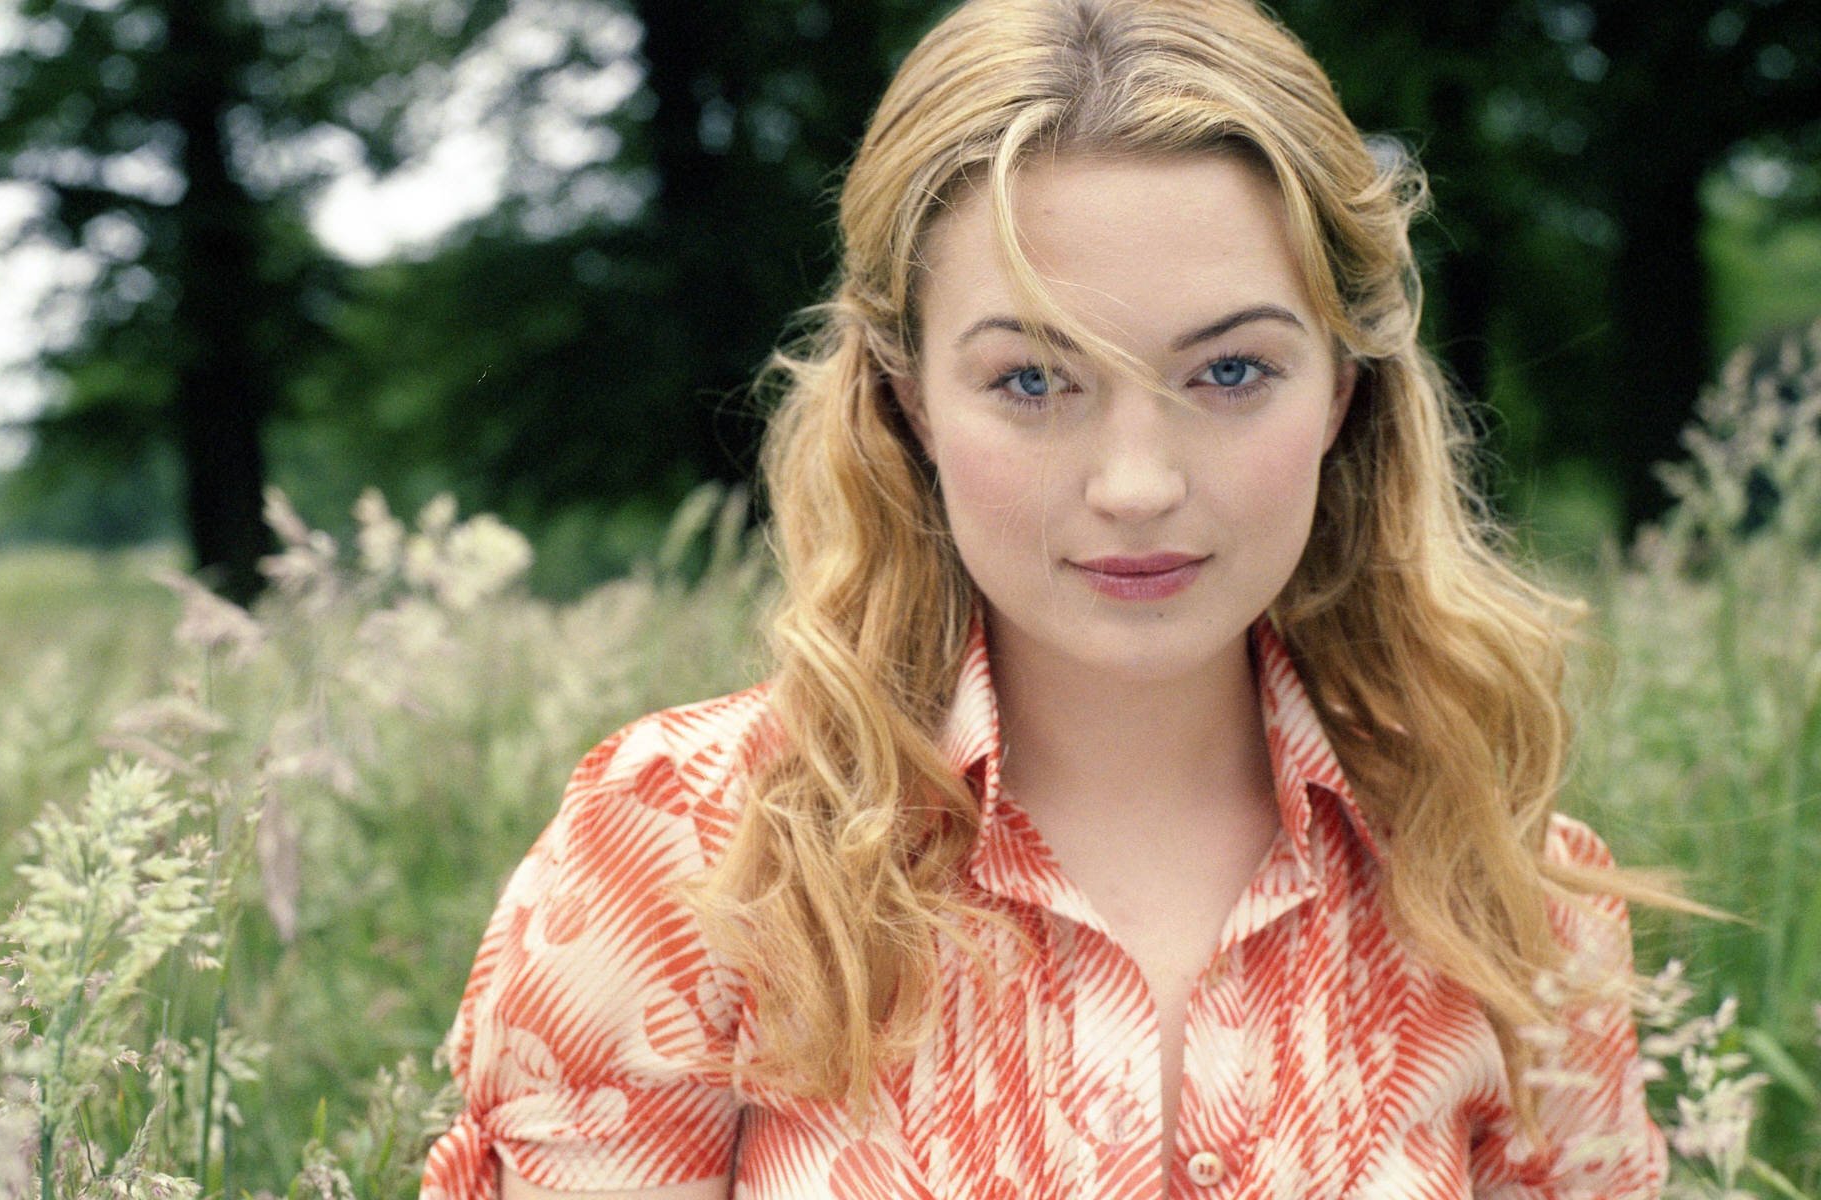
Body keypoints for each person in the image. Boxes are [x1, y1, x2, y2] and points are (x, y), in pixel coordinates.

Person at [420, 0, 1695, 1196]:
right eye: (1034, 382)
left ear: (1343, 394)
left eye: (1233, 370)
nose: (1136, 485)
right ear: (910, 399)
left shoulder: (1509, 897)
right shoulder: (691, 851)